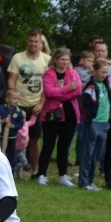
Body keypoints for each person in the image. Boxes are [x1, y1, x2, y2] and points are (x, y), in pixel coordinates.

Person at [35, 48, 82, 187]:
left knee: (64, 146)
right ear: (55, 60)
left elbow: (78, 90)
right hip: (52, 115)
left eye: (67, 60)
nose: (65, 62)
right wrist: (67, 88)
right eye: (62, 59)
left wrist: (61, 94)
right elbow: (49, 92)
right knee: (48, 145)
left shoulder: (73, 73)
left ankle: (63, 175)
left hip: (70, 115)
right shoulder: (48, 74)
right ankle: (42, 174)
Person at [7, 30, 51, 177]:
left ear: (41, 43)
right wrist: (13, 99)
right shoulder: (17, 58)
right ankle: (9, 169)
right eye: (31, 41)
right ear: (27, 41)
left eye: (36, 41)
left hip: (36, 104)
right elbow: (12, 79)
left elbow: (48, 84)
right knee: (12, 136)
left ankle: (35, 170)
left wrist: (41, 103)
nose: (33, 44)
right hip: (18, 103)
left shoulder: (47, 60)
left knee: (34, 139)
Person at [78, 60, 111, 191]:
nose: (104, 74)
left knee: (97, 155)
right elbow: (85, 106)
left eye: (106, 72)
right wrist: (89, 121)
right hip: (93, 123)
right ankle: (84, 181)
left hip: (104, 123)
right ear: (95, 71)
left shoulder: (105, 84)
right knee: (88, 153)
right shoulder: (91, 87)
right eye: (102, 71)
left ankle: (90, 181)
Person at [0, 89, 24, 170]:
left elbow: (20, 124)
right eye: (14, 98)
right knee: (0, 152)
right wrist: (3, 121)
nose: (16, 101)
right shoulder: (1, 108)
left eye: (18, 99)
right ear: (7, 99)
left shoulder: (19, 112)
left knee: (11, 155)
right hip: (1, 136)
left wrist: (12, 126)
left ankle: (11, 171)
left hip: (12, 137)